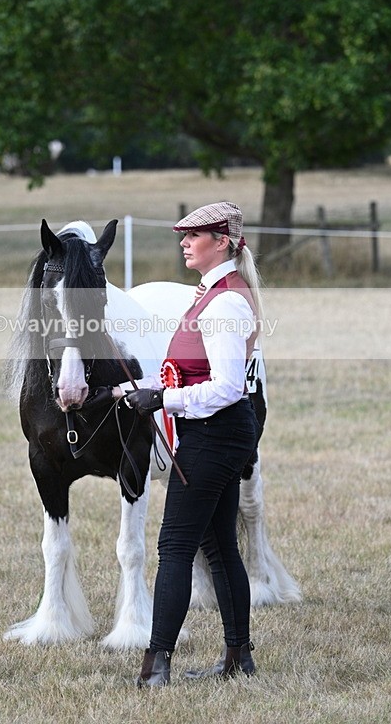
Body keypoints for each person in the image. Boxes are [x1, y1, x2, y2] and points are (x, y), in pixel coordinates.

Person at [84, 201, 263, 687]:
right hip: (216, 433)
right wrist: (128, 390)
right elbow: (193, 371)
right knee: (219, 543)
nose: (183, 242)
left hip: (215, 435)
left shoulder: (225, 301)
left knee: (176, 545)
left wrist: (163, 398)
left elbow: (227, 387)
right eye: (182, 235)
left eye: (194, 235)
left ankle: (155, 665)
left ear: (221, 240)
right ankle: (237, 659)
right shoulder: (210, 293)